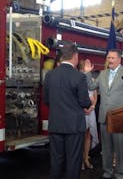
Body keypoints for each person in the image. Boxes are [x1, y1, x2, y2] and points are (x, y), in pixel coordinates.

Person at [83, 49, 123, 179]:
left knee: (120, 147)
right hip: (104, 117)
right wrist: (88, 72)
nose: (110, 60)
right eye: (108, 58)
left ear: (119, 59)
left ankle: (120, 173)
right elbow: (91, 87)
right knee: (106, 147)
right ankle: (107, 171)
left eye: (112, 58)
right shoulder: (102, 74)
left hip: (119, 118)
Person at [43, 43, 91, 179]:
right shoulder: (79, 76)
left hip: (56, 125)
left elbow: (46, 100)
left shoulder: (50, 75)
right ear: (75, 56)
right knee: (73, 162)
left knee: (56, 161)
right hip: (74, 127)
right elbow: (84, 102)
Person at [78, 60, 99, 170]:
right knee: (80, 136)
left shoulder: (92, 80)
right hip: (81, 111)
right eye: (87, 64)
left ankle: (86, 158)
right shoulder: (78, 79)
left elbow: (95, 96)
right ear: (82, 68)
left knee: (88, 135)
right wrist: (84, 108)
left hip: (91, 111)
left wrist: (92, 106)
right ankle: (79, 160)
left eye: (90, 64)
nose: (90, 65)